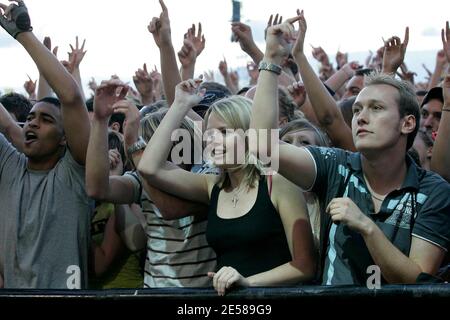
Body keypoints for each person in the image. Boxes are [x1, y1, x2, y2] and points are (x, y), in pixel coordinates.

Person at [250, 11, 450, 285]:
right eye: (356, 110)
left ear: (407, 123)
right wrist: (270, 59)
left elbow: (419, 280)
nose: (361, 117)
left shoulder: (434, 192)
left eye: (376, 108)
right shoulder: (336, 166)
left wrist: (367, 227)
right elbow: (264, 148)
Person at [138, 80, 317, 296]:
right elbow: (149, 167)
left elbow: (305, 265)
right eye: (210, 134)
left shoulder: (277, 181)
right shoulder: (213, 185)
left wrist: (247, 282)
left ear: (249, 134)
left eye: (224, 132)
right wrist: (180, 105)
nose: (213, 141)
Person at [86, 81, 217, 288]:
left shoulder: (207, 176)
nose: (151, 154)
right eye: (147, 145)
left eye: (157, 143)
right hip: (154, 292)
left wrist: (133, 144)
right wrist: (100, 121)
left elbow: (170, 208)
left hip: (201, 296)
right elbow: (97, 188)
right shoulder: (140, 180)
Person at [0, 0, 91, 288]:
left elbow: (72, 97)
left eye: (46, 120)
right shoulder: (9, 165)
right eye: (29, 118)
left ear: (65, 137)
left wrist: (23, 34)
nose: (32, 123)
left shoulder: (72, 173)